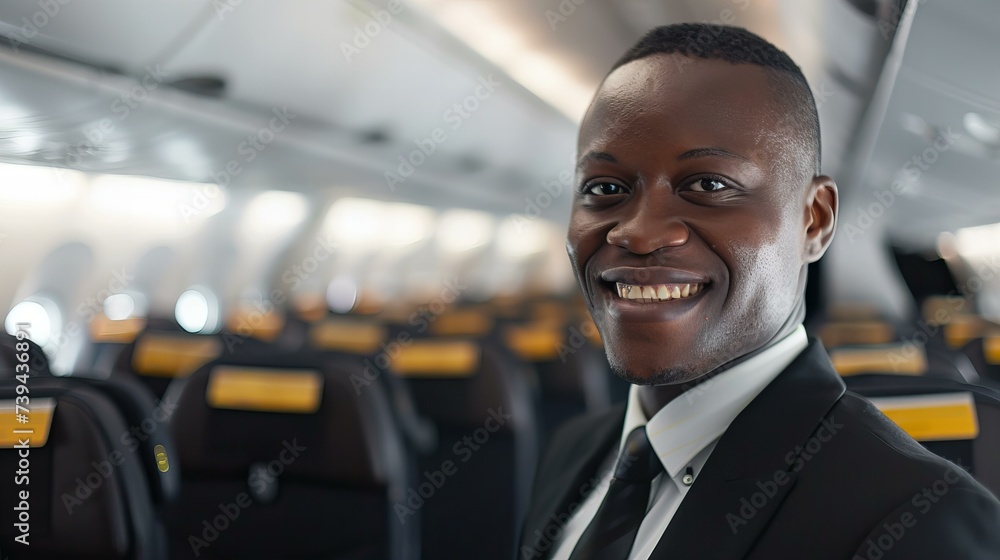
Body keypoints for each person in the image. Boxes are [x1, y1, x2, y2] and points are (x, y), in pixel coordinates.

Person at [519, 23, 1000, 560]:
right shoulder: (573, 451)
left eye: (708, 185)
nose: (637, 232)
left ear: (814, 221)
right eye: (605, 189)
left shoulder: (921, 521)